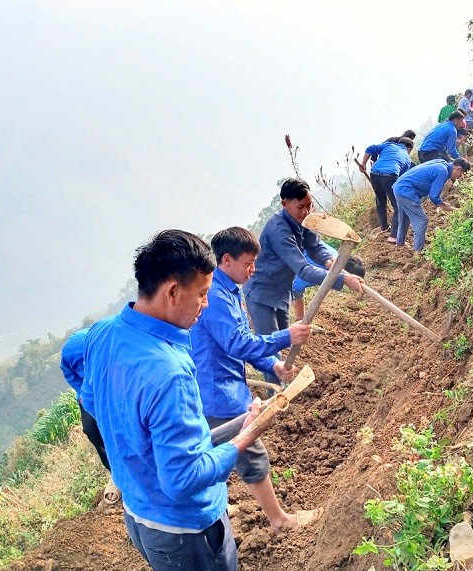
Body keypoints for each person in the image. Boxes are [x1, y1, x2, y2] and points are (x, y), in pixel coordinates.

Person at [80, 229, 271, 571]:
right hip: (185, 533)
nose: (206, 304)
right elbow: (182, 481)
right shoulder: (169, 373)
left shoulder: (102, 333)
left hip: (139, 515)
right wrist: (244, 439)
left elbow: (91, 404)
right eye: (201, 294)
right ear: (171, 291)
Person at [189, 226, 321, 534]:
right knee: (250, 450)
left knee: (214, 449)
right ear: (226, 260)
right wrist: (284, 336)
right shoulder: (216, 297)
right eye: (248, 263)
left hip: (224, 383)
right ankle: (280, 521)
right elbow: (237, 343)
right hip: (217, 390)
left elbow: (241, 342)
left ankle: (214, 508)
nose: (253, 269)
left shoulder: (229, 289)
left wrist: (272, 365)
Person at [243, 179, 365, 380]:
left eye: (309, 206)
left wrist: (329, 260)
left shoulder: (303, 220)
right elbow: (303, 270)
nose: (306, 212)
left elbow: (315, 246)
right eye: (300, 207)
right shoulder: (278, 230)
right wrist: (342, 279)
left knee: (282, 342)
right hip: (261, 293)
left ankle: (278, 386)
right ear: (284, 204)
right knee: (272, 349)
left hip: (282, 292)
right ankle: (275, 396)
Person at [60, 328, 121, 504]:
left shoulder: (111, 347)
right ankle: (117, 475)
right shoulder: (71, 351)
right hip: (88, 394)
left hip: (114, 388)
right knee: (93, 431)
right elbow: (68, 371)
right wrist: (81, 392)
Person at [394, 158, 471, 252]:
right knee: (422, 220)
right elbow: (434, 196)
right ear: (458, 169)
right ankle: (418, 251)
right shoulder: (442, 171)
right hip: (406, 191)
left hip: (399, 186)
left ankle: (399, 243)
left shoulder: (442, 163)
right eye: (461, 174)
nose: (459, 177)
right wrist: (444, 205)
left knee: (404, 217)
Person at [359, 137, 414, 242]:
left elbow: (370, 148)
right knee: (399, 206)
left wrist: (363, 164)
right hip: (390, 176)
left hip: (374, 174)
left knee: (380, 202)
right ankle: (393, 236)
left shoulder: (388, 145)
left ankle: (384, 228)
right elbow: (401, 180)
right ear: (409, 149)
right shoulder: (407, 158)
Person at [292, 248, 366, 320]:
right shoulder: (322, 269)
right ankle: (299, 321)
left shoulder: (333, 254)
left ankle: (300, 320)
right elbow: (296, 286)